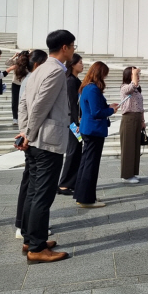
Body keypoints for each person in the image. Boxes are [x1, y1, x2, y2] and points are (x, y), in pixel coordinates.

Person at [16, 30, 75, 264]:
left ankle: (31, 239)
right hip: (46, 140)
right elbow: (40, 105)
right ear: (64, 47)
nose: (73, 49)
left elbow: (24, 103)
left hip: (34, 138)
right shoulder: (55, 71)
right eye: (72, 46)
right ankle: (37, 248)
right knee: (43, 193)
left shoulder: (38, 70)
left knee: (33, 191)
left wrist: (24, 132)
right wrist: (28, 134)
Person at [74, 61, 118, 208]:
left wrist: (108, 106)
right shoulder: (93, 89)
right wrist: (111, 111)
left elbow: (96, 108)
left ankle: (83, 195)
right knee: (91, 165)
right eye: (104, 74)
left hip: (89, 129)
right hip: (94, 130)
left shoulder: (86, 87)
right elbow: (96, 112)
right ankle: (86, 198)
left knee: (86, 163)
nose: (105, 77)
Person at [15, 49, 48, 239]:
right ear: (37, 65)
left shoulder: (29, 79)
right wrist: (27, 133)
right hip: (34, 138)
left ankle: (24, 225)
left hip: (30, 136)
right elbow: (28, 109)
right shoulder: (33, 80)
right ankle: (23, 226)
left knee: (30, 181)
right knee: (30, 183)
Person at [58, 53, 84, 195]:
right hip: (72, 123)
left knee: (77, 150)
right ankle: (64, 184)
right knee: (73, 151)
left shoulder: (75, 80)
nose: (82, 64)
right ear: (73, 64)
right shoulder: (70, 81)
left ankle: (72, 182)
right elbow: (71, 104)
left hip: (75, 121)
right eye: (79, 62)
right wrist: (76, 122)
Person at [119, 66, 145, 184]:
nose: (138, 77)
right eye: (135, 74)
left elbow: (141, 106)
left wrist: (142, 121)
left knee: (135, 147)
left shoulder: (137, 89)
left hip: (137, 117)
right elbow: (132, 85)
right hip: (128, 118)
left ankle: (133, 172)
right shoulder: (125, 87)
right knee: (128, 147)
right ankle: (126, 174)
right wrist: (134, 74)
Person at [8, 51, 30, 125]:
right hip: (16, 84)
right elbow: (7, 62)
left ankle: (19, 118)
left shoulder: (29, 63)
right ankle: (15, 118)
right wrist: (14, 57)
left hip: (24, 84)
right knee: (15, 101)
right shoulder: (16, 62)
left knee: (20, 101)